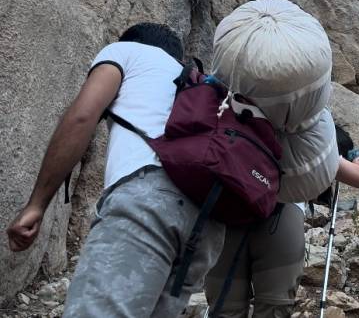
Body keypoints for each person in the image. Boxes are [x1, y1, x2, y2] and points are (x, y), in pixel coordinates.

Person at [6, 23, 225, 317]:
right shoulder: (196, 83)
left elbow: (82, 117)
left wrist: (36, 205)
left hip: (149, 202)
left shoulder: (126, 51)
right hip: (207, 223)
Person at [204, 128, 359, 318]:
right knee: (274, 308)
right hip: (281, 214)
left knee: (225, 309)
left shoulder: (238, 124)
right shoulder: (308, 137)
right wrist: (353, 154)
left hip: (227, 210)